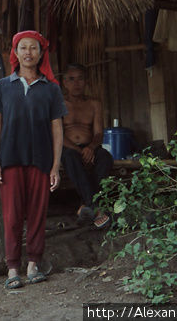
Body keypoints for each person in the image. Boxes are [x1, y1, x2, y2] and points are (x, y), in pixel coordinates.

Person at [0, 30, 67, 290]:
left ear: (41, 54)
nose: (28, 53)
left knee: (37, 214)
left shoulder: (51, 89)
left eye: (34, 48)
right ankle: (12, 268)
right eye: (23, 48)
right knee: (11, 216)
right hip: (10, 159)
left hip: (41, 160)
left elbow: (57, 129)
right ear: (15, 53)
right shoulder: (2, 87)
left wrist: (55, 165)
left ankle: (33, 263)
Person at [60, 63, 113, 229]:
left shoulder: (94, 104)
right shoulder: (59, 104)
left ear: (86, 82)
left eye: (80, 79)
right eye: (71, 79)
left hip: (90, 146)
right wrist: (80, 150)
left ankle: (86, 205)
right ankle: (96, 207)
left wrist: (90, 147)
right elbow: (58, 135)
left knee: (105, 157)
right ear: (64, 83)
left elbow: (98, 133)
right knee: (70, 157)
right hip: (68, 148)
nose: (76, 84)